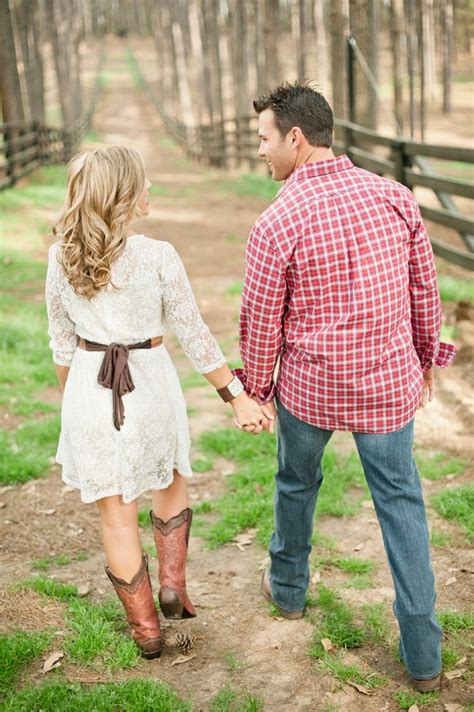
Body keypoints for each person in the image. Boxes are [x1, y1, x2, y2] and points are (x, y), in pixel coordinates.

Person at [233, 82, 456, 691]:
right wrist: (425, 358)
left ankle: (287, 591)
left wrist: (253, 387)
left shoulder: (278, 219)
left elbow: (260, 320)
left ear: (296, 138)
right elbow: (423, 290)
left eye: (264, 139)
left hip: (311, 389)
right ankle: (423, 653)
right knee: (401, 502)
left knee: (296, 483)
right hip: (387, 385)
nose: (261, 152)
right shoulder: (393, 197)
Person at [45, 145, 268, 659]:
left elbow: (61, 344)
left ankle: (145, 630)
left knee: (115, 516)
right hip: (149, 387)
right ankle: (173, 586)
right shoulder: (158, 256)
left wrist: (73, 406)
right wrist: (235, 397)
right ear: (126, 196)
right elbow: (194, 336)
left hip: (87, 387)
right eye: (143, 183)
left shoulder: (61, 258)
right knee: (169, 481)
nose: (150, 190)